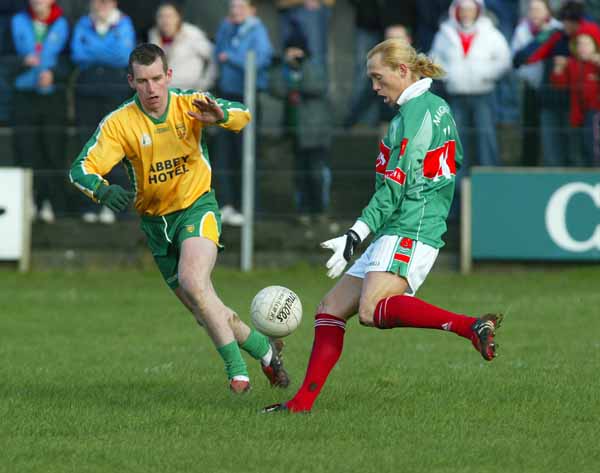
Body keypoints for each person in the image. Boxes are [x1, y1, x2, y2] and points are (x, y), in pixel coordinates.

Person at [262, 38, 503, 414]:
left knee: (372, 310)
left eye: (378, 77)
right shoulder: (436, 107)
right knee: (329, 309)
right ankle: (300, 405)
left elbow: (392, 192)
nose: (374, 88)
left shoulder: (410, 120)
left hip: (410, 227)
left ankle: (469, 325)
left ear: (402, 71)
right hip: (404, 224)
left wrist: (354, 235)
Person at [68, 43, 289, 394]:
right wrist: (103, 189)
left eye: (157, 78)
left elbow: (243, 113)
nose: (151, 88)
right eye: (142, 81)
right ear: (131, 81)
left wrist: (221, 117)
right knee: (206, 309)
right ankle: (266, 352)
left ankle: (237, 373)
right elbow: (80, 169)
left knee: (193, 281)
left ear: (169, 75)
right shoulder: (120, 123)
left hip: (196, 207)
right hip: (156, 226)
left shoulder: (189, 104)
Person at [71, 0, 135, 223]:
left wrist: (94, 48)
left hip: (114, 91)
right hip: (87, 92)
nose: (100, 5)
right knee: (87, 146)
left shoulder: (124, 23)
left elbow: (123, 54)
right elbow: (77, 54)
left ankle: (117, 206)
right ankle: (92, 204)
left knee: (115, 147)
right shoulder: (83, 23)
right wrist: (106, 47)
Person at [429, 0, 511, 170]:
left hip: (483, 94)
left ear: (478, 12)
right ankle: (458, 182)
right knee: (457, 138)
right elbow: (434, 60)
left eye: (470, 10)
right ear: (456, 11)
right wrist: (450, 76)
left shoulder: (491, 33)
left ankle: (490, 174)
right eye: (463, 10)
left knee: (486, 136)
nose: (466, 14)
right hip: (456, 95)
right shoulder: (445, 33)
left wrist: (486, 75)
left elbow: (503, 60)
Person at [214, 0, 273, 226]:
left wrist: (231, 57)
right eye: (232, 8)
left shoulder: (257, 31)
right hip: (226, 97)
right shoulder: (227, 28)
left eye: (240, 7)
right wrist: (226, 52)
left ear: (252, 10)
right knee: (224, 152)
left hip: (247, 98)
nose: (235, 12)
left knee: (246, 153)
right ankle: (227, 204)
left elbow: (259, 60)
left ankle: (247, 206)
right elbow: (217, 51)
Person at [11, 0, 70, 223]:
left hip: (52, 98)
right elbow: (5, 58)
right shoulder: (16, 22)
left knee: (52, 151)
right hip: (23, 96)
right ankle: (27, 203)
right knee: (26, 150)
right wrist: (21, 62)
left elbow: (71, 61)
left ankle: (50, 204)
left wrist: (54, 74)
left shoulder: (64, 23)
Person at [269, 26, 332, 224]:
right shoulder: (284, 71)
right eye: (291, 50)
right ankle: (303, 211)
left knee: (316, 174)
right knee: (299, 175)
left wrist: (302, 65)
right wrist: (283, 66)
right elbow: (275, 88)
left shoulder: (313, 66)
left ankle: (320, 211)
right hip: (295, 132)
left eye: (298, 50)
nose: (294, 54)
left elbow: (316, 86)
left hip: (315, 133)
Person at [511, 0, 561, 166]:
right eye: (532, 9)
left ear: (548, 11)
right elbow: (516, 59)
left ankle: (553, 164)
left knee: (552, 130)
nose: (535, 13)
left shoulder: (557, 29)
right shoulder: (522, 29)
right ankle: (529, 164)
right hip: (529, 86)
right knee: (529, 128)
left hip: (552, 89)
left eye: (539, 9)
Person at [550, 25, 600, 167]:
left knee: (592, 144)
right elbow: (560, 85)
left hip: (595, 112)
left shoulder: (595, 64)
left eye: (587, 44)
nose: (583, 47)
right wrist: (558, 69)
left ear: (595, 45)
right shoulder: (572, 64)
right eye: (579, 44)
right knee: (577, 145)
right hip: (576, 113)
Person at [148, 1, 216, 92]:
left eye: (169, 16)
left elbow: (213, 57)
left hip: (189, 93)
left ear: (178, 17)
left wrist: (204, 84)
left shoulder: (192, 34)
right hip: (164, 94)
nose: (165, 20)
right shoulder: (153, 36)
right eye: (161, 16)